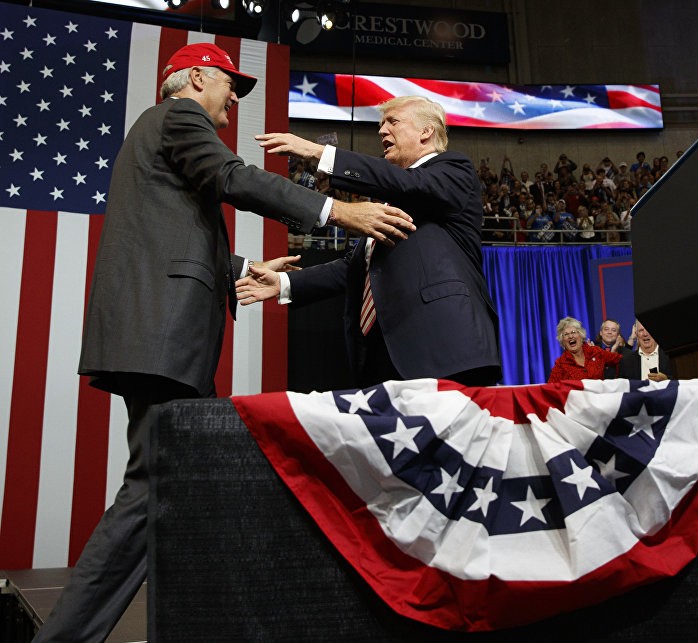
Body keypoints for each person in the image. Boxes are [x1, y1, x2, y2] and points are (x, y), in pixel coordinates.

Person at [34, 43, 415, 643]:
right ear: (193, 78)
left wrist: (241, 267)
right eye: (228, 82)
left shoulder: (158, 130)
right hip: (160, 336)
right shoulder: (179, 116)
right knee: (159, 486)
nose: (234, 95)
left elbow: (168, 234)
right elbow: (233, 177)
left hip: (156, 334)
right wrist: (337, 211)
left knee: (175, 487)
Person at [237, 96, 502, 387]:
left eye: (393, 122)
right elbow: (353, 267)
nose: (382, 130)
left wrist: (319, 153)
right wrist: (284, 283)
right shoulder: (389, 204)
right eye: (381, 124)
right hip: (386, 356)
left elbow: (408, 183)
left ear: (426, 131)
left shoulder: (454, 169)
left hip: (445, 347)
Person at [548, 317, 623, 383]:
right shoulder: (560, 364)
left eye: (573, 332)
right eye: (566, 334)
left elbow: (620, 360)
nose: (570, 336)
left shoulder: (595, 352)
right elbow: (550, 389)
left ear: (581, 335)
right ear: (563, 341)